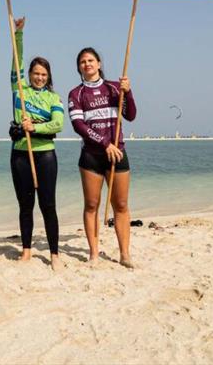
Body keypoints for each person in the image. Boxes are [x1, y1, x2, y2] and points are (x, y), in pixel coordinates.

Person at [68, 47, 137, 267]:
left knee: (122, 204)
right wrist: (104, 143)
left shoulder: (115, 88)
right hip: (91, 156)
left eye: (90, 60)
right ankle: (94, 254)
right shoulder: (76, 94)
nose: (87, 64)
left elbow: (131, 115)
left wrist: (129, 92)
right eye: (82, 62)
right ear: (79, 67)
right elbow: (79, 125)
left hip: (118, 153)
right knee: (91, 205)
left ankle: (125, 254)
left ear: (99, 64)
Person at [9, 17, 64, 270]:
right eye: (35, 73)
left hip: (46, 155)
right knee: (25, 205)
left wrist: (36, 127)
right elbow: (16, 63)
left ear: (48, 76)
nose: (39, 77)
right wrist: (19, 34)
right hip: (21, 153)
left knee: (48, 204)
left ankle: (54, 253)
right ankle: (27, 250)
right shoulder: (20, 90)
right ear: (29, 75)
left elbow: (58, 125)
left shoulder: (54, 97)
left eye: (43, 74)